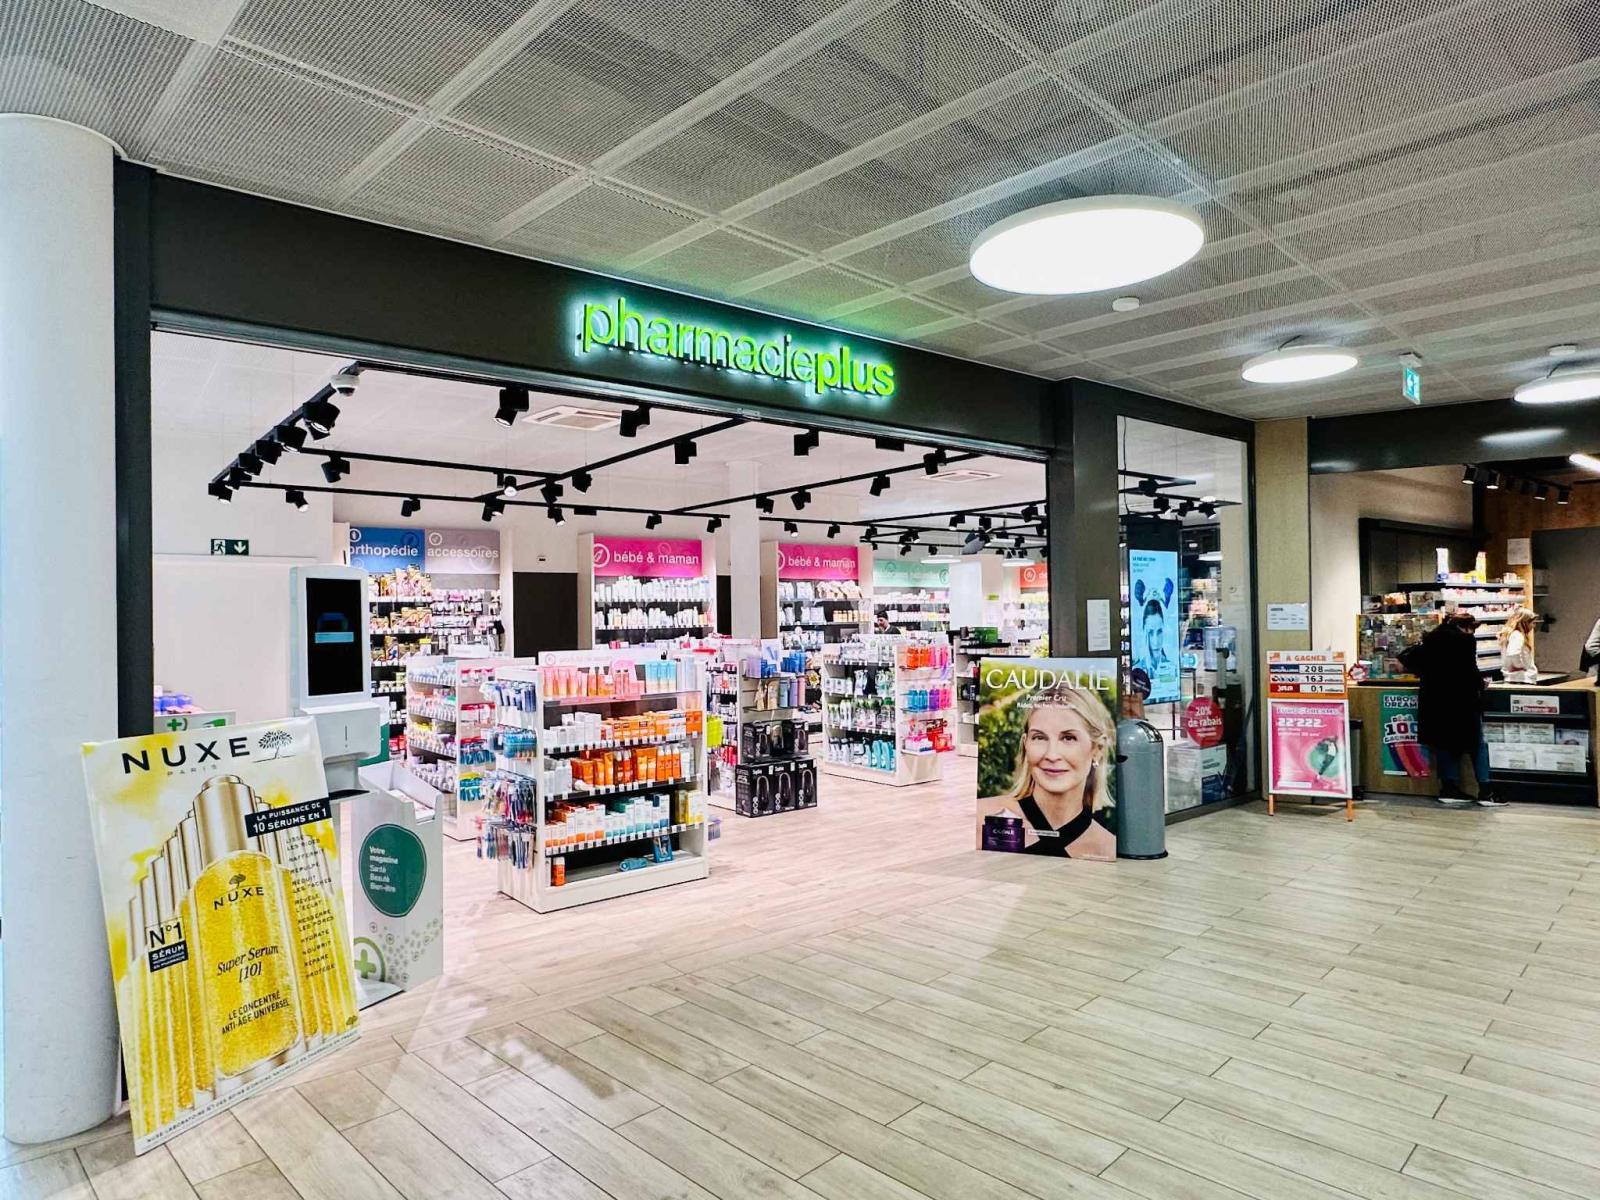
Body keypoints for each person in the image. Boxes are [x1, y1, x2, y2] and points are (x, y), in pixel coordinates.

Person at [987, 683, 1118, 857]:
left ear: (1097, 749)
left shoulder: (1107, 848)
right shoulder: (985, 818)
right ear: (1026, 744)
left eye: (1068, 738)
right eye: (1039, 737)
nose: (1052, 755)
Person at [1400, 611, 1506, 807]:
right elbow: (1469, 670)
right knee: (1477, 744)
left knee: (1444, 744)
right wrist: (1481, 684)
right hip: (1461, 702)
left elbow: (1414, 661)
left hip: (1435, 702)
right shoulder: (1464, 641)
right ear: (1464, 627)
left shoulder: (1430, 640)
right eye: (1471, 629)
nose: (1472, 633)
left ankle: (1449, 789)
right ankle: (1486, 791)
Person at [1499, 608, 1538, 684]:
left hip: (1513, 678)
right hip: (1522, 679)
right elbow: (1513, 653)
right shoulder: (1517, 635)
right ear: (1524, 623)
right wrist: (1520, 666)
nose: (1534, 626)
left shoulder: (1508, 635)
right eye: (1533, 623)